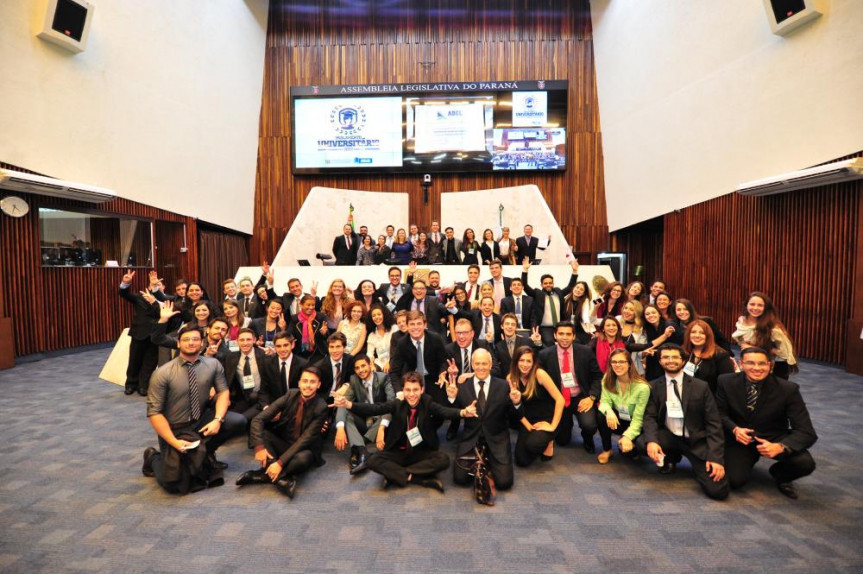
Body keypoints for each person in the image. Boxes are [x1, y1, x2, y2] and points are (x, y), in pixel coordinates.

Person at [142, 325, 246, 494]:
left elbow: (223, 391)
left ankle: (207, 452)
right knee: (173, 484)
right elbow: (154, 413)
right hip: (175, 428)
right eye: (186, 339)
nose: (191, 343)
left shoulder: (213, 364)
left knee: (238, 421)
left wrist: (217, 420)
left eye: (195, 339)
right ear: (178, 343)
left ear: (202, 342)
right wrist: (174, 442)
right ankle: (153, 457)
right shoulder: (162, 373)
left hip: (201, 421)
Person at [334, 371, 477, 491]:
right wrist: (348, 404)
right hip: (398, 451)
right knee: (372, 460)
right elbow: (376, 408)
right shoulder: (398, 404)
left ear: (422, 390)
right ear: (403, 390)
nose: (412, 394)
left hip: (420, 452)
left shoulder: (427, 402)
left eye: (415, 390)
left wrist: (463, 412)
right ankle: (417, 478)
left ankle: (395, 474)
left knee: (444, 460)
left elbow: (444, 411)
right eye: (408, 390)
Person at [716, 347, 817, 499]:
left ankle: (780, 475)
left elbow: (806, 432)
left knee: (805, 463)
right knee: (734, 481)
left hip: (773, 436)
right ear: (741, 364)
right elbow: (719, 412)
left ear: (770, 366)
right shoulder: (726, 381)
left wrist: (781, 447)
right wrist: (735, 429)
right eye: (751, 363)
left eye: (762, 364)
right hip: (740, 439)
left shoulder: (788, 389)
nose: (757, 368)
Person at [638, 344, 729, 500]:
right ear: (660, 361)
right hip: (670, 436)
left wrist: (715, 458)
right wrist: (652, 441)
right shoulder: (653, 386)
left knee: (718, 491)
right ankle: (671, 457)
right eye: (666, 357)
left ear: (683, 361)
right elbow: (650, 417)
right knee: (641, 443)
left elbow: (714, 424)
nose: (670, 360)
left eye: (675, 357)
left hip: (696, 441)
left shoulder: (701, 387)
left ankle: (695, 464)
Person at [235, 366, 329, 498]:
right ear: (299, 383)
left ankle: (263, 475)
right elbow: (258, 419)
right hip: (284, 442)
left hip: (304, 449)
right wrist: (259, 447)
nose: (308, 385)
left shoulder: (321, 407)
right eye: (305, 381)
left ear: (318, 385)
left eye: (312, 382)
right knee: (260, 435)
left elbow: (305, 440)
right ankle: (281, 478)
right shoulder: (290, 394)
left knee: (302, 460)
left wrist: (279, 463)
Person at [449, 348, 520, 492]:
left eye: (484, 363)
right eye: (477, 364)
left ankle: (486, 456)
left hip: (497, 437)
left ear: (490, 364)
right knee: (460, 479)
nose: (481, 367)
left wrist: (517, 403)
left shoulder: (503, 386)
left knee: (504, 483)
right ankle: (482, 456)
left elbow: (514, 417)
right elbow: (452, 415)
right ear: (472, 365)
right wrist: (452, 398)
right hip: (472, 438)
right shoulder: (462, 387)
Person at [537, 321, 602, 453]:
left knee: (589, 425)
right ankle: (567, 424)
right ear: (555, 335)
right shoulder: (545, 354)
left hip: (580, 397)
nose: (564, 337)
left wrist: (592, 397)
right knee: (562, 440)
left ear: (573, 336)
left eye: (568, 334)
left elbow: (597, 377)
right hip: (559, 399)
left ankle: (587, 437)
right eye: (561, 334)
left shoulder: (586, 352)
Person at [332, 355, 395, 474]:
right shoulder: (354, 380)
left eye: (363, 366)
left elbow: (391, 404)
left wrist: (382, 428)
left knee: (388, 412)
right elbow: (343, 403)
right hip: (365, 421)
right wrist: (340, 428)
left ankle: (357, 447)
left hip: (380, 421)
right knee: (347, 413)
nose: (360, 370)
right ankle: (363, 451)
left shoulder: (384, 378)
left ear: (370, 365)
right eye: (357, 368)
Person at [509, 346, 564, 466]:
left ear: (534, 362)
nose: (525, 364)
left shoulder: (540, 374)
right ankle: (541, 440)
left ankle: (549, 441)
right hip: (527, 420)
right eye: (521, 360)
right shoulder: (511, 378)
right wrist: (528, 425)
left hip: (547, 418)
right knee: (521, 461)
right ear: (516, 361)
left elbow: (560, 399)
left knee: (532, 445)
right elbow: (514, 408)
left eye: (529, 361)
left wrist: (552, 426)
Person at [595, 349, 650, 464]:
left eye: (621, 362)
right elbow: (604, 401)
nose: (617, 365)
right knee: (601, 415)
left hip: (635, 423)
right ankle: (607, 450)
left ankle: (627, 441)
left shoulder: (642, 388)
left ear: (629, 364)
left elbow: (639, 419)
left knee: (630, 454)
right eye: (614, 362)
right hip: (618, 418)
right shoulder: (607, 378)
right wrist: (609, 411)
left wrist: (627, 436)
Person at [731, 292, 798, 379]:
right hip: (752, 362)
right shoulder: (742, 321)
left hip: (774, 367)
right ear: (746, 305)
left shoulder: (773, 328)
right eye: (752, 304)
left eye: (760, 305)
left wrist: (754, 348)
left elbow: (784, 353)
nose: (755, 308)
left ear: (766, 308)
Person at [119, 269, 165, 396]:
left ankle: (143, 386)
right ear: (149, 286)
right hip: (139, 333)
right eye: (154, 284)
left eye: (159, 285)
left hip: (156, 335)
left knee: (150, 362)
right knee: (134, 360)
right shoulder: (140, 297)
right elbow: (124, 294)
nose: (156, 286)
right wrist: (125, 283)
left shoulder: (167, 301)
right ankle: (130, 384)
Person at [388, 310, 450, 402]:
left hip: (434, 381)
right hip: (412, 384)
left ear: (425, 325)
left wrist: (442, 372)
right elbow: (394, 371)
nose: (415, 327)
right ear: (407, 326)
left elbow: (443, 361)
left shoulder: (435, 339)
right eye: (412, 324)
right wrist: (399, 391)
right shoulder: (402, 343)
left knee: (441, 408)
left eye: (419, 324)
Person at [521, 258, 580, 347]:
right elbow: (525, 286)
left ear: (553, 283)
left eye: (550, 283)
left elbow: (570, 286)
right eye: (545, 283)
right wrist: (525, 270)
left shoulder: (558, 292)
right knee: (549, 342)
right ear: (542, 285)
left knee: (574, 341)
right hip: (545, 328)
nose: (548, 284)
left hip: (560, 325)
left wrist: (574, 271)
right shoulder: (538, 294)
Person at [223, 328, 272, 422]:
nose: (245, 343)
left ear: (254, 340)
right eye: (242, 340)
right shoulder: (231, 357)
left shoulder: (264, 355)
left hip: (261, 398)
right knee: (230, 419)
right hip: (243, 398)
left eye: (248, 339)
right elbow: (225, 377)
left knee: (242, 419)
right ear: (237, 341)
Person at [681, 319, 736, 395]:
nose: (697, 335)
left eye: (702, 333)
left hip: (710, 399)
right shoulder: (683, 352)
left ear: (708, 336)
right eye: (693, 332)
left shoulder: (720, 355)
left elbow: (727, 383)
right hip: (686, 397)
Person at [259, 332, 307, 405]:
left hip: (295, 404)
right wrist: (266, 407)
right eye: (278, 346)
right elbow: (264, 391)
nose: (282, 349)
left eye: (285, 345)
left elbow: (304, 392)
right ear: (274, 347)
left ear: (292, 345)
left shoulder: (303, 364)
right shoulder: (267, 364)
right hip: (273, 405)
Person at [642, 304, 679, 381]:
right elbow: (647, 346)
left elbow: (672, 327)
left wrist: (670, 329)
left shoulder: (667, 325)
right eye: (647, 314)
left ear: (659, 314)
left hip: (668, 362)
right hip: (652, 364)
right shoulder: (647, 328)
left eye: (653, 312)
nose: (651, 315)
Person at [314, 332, 355, 398]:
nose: (334, 351)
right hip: (326, 399)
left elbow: (355, 377)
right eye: (331, 347)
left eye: (338, 347)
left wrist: (347, 385)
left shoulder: (350, 360)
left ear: (344, 347)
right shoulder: (319, 367)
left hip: (344, 397)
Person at [290, 294, 328, 361]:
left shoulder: (321, 317)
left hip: (318, 352)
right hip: (300, 353)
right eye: (308, 305)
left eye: (313, 305)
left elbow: (326, 337)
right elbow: (290, 334)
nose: (311, 307)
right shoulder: (295, 318)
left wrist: (324, 333)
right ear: (301, 305)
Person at [365, 302, 397, 372]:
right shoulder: (371, 335)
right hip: (379, 364)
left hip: (394, 361)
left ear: (384, 315)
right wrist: (372, 365)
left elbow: (398, 350)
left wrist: (389, 363)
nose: (376, 317)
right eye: (374, 315)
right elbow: (369, 354)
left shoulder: (394, 329)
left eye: (379, 314)